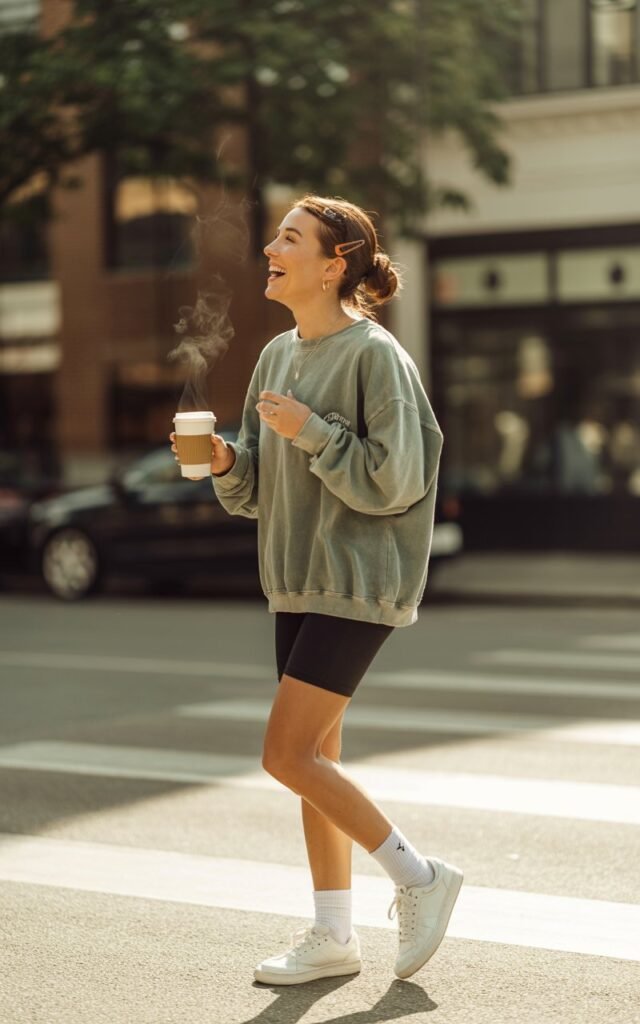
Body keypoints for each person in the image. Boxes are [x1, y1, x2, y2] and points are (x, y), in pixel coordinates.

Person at [169, 194, 463, 985]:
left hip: (359, 581)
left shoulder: (377, 356)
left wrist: (314, 431)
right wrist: (229, 463)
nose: (271, 246)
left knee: (286, 753)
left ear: (335, 266)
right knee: (317, 759)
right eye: (274, 235)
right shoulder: (274, 357)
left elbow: (397, 480)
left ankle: (420, 878)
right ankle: (334, 934)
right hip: (295, 581)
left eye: (290, 238)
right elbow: (263, 489)